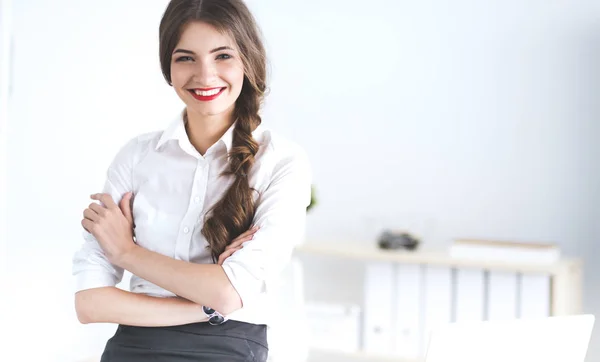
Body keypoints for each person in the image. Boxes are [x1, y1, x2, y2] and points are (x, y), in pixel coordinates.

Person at [72, 0, 312, 360]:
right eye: (186, 58)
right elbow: (89, 303)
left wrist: (127, 252)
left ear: (247, 59)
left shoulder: (281, 162)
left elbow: (230, 292)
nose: (205, 75)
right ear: (168, 68)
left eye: (223, 56)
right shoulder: (137, 157)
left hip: (228, 348)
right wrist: (209, 304)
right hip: (133, 348)